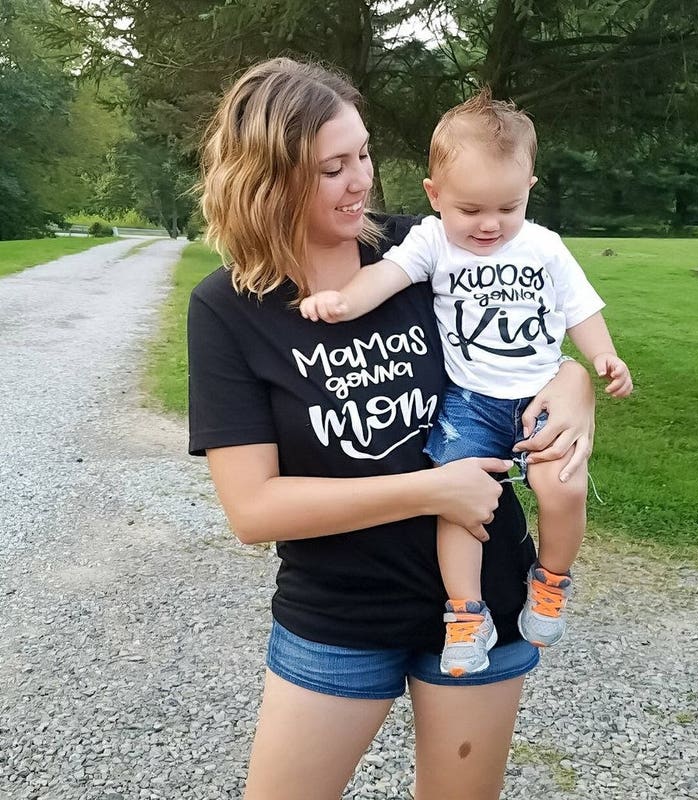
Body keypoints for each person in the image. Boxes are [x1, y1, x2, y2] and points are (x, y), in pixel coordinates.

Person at [188, 57, 596, 800]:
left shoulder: (429, 247)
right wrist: (432, 490)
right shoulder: (228, 309)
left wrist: (575, 384)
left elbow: (530, 341)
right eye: (332, 168)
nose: (362, 182)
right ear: (266, 180)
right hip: (339, 613)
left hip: (481, 599)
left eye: (364, 154)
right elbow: (254, 509)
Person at [299, 90, 633, 678]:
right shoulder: (431, 240)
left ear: (529, 187)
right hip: (470, 402)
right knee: (459, 502)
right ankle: (465, 612)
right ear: (435, 196)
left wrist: (600, 358)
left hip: (538, 394)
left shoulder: (543, 246)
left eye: (508, 207)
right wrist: (343, 303)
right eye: (470, 209)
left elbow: (580, 307)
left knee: (562, 488)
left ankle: (551, 581)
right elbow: (386, 275)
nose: (489, 224)